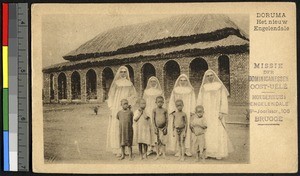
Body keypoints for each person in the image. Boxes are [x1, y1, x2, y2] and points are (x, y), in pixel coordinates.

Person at [197, 69, 233, 159]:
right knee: (207, 131)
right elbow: (199, 100)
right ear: (205, 77)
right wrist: (199, 112)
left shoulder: (219, 86)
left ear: (214, 76)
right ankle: (208, 152)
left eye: (211, 75)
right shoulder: (204, 87)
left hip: (216, 112)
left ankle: (218, 153)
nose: (210, 77)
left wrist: (222, 112)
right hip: (207, 113)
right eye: (208, 76)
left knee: (217, 131)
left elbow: (224, 100)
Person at [106, 66, 137, 156]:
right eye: (121, 72)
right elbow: (111, 95)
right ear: (119, 73)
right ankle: (118, 149)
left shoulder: (130, 84)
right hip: (117, 106)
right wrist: (111, 107)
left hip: (126, 106)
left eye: (125, 72)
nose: (123, 73)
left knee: (126, 127)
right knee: (117, 126)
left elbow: (134, 95)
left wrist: (129, 103)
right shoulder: (116, 83)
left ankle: (126, 148)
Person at [168, 74, 196, 157]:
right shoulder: (175, 90)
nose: (183, 82)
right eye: (181, 80)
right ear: (179, 81)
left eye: (185, 81)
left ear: (187, 81)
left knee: (187, 130)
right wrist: (173, 111)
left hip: (187, 111)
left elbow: (193, 101)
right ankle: (179, 150)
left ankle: (187, 149)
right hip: (177, 112)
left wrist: (191, 111)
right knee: (178, 130)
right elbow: (172, 101)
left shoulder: (190, 90)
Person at [143, 76, 164, 155]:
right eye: (151, 81)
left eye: (154, 81)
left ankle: (157, 148)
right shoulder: (146, 91)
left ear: (156, 82)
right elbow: (144, 102)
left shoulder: (159, 92)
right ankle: (149, 148)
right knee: (149, 129)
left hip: (157, 111)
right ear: (149, 82)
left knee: (157, 129)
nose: (153, 83)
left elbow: (162, 101)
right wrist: (144, 112)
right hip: (148, 110)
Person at [152, 96, 168, 160]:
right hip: (157, 128)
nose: (160, 103)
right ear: (156, 102)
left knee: (163, 142)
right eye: (158, 102)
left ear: (163, 102)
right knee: (157, 142)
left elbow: (167, 119)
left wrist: (166, 127)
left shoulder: (165, 110)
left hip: (163, 128)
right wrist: (154, 127)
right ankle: (157, 154)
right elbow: (153, 119)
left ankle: (164, 154)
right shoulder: (154, 110)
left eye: (161, 102)